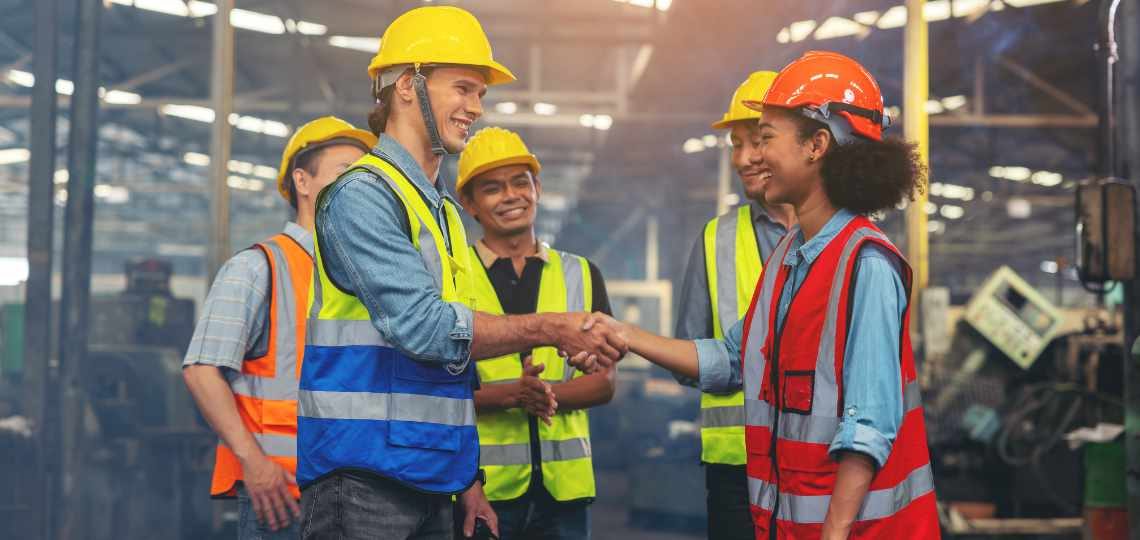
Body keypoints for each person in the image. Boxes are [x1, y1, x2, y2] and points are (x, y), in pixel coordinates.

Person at [296, 7, 626, 540]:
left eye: (480, 95)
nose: (476, 108)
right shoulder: (363, 195)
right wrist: (551, 328)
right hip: (361, 481)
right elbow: (428, 330)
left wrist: (468, 479)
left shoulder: (444, 212)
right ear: (408, 85)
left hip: (432, 478)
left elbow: (454, 366)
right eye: (465, 88)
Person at [586, 51, 939, 539]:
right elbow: (734, 358)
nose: (751, 157)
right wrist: (622, 333)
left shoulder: (866, 264)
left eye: (765, 138)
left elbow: (869, 427)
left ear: (817, 145)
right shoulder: (791, 257)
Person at [182, 116, 375, 538]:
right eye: (346, 174)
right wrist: (254, 463)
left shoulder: (366, 279)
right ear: (302, 182)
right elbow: (201, 371)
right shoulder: (257, 268)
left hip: (361, 498)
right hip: (283, 495)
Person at [457, 127, 616, 539]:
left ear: (538, 188)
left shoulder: (581, 273)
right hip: (484, 490)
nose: (511, 196)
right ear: (469, 204)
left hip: (565, 495)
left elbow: (605, 382)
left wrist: (545, 396)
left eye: (520, 182)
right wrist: (512, 394)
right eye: (492, 188)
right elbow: (437, 391)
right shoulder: (453, 280)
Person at [674, 70, 794, 540]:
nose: (743, 158)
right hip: (735, 469)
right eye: (736, 145)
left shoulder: (846, 237)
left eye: (758, 141)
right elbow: (689, 360)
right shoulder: (716, 238)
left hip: (824, 462)